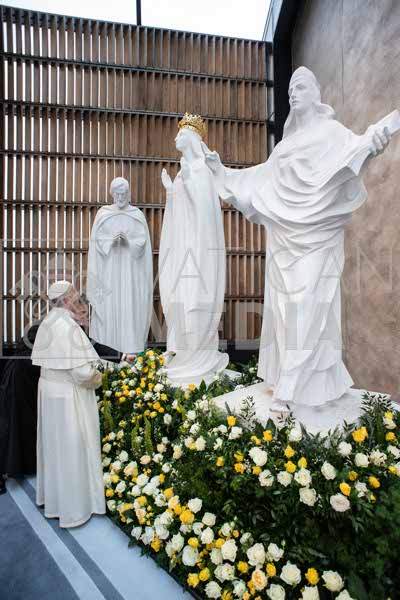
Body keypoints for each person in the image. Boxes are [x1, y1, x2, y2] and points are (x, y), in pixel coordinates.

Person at [204, 67, 392, 411]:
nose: (293, 92)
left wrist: (374, 144)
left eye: (301, 86)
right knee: (288, 311)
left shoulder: (333, 133)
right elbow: (257, 180)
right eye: (290, 88)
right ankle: (304, 382)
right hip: (285, 240)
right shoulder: (284, 147)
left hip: (318, 235)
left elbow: (356, 153)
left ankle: (290, 385)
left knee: (309, 303)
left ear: (316, 93)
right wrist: (221, 173)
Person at [31, 281, 116, 527]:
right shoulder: (68, 326)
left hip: (49, 393)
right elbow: (83, 373)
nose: (79, 301)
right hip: (69, 398)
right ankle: (75, 509)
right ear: (67, 300)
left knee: (55, 450)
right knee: (72, 451)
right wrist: (101, 377)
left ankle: (55, 501)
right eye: (75, 297)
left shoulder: (48, 322)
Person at [159, 113, 229, 385]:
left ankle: (197, 355)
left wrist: (188, 182)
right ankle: (183, 353)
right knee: (180, 296)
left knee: (194, 298)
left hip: (198, 248)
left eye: (181, 134)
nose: (176, 138)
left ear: (191, 138)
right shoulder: (183, 171)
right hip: (182, 246)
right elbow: (179, 214)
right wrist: (171, 191)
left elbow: (206, 212)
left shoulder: (201, 168)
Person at [87, 177, 153, 354]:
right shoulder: (104, 213)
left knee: (130, 304)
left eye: (124, 194)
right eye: (117, 194)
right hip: (109, 270)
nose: (121, 197)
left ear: (128, 193)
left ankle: (131, 348)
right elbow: (97, 242)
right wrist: (111, 241)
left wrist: (128, 241)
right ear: (112, 194)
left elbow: (142, 243)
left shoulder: (136, 214)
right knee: (110, 304)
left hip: (131, 271)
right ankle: (108, 349)